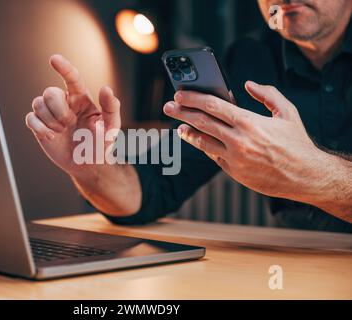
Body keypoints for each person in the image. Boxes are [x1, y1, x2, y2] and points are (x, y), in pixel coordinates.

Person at [25, 0, 352, 233]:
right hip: (295, 265)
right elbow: (155, 189)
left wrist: (311, 172)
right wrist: (90, 166)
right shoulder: (249, 57)